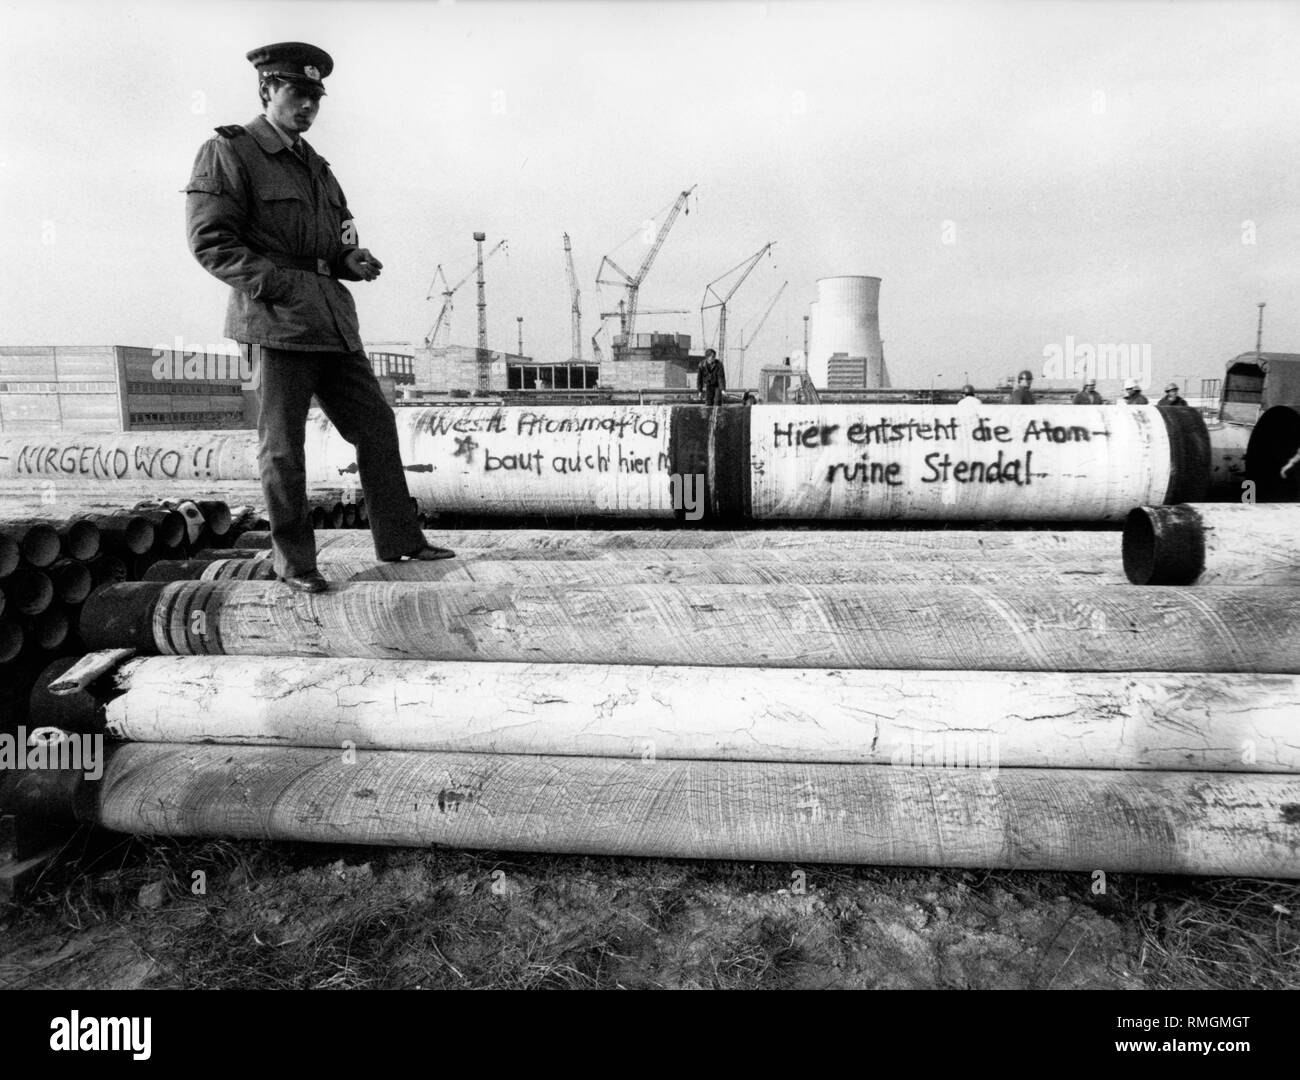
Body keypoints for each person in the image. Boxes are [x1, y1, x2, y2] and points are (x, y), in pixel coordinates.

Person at [184, 42, 452, 593]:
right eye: (296, 94)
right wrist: (277, 284)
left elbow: (339, 241)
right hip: (276, 325)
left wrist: (351, 260)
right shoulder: (229, 151)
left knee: (376, 427)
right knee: (282, 448)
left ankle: (401, 540)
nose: (307, 106)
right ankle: (295, 563)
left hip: (332, 323)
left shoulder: (318, 167)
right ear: (267, 91)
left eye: (314, 98)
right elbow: (210, 242)